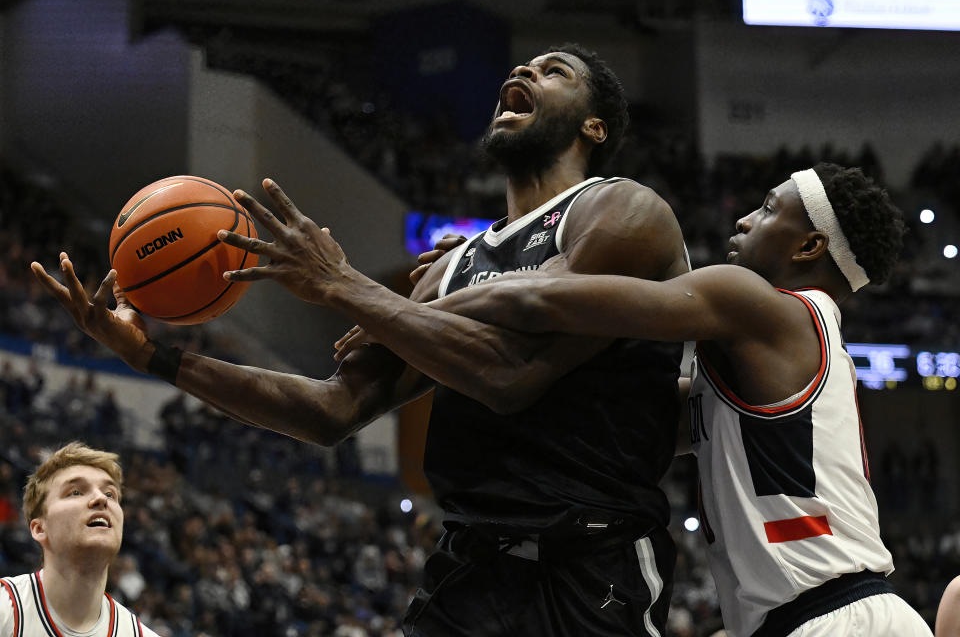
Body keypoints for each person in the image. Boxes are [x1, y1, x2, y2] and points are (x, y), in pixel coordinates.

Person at [32, 43, 690, 636]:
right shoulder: (451, 268)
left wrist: (345, 285)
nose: (523, 71)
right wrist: (151, 355)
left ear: (593, 126)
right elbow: (330, 410)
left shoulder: (623, 210)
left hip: (591, 567)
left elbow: (511, 376)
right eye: (524, 66)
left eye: (555, 71)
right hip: (469, 568)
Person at [332, 163, 929, 636]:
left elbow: (546, 301)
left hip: (838, 616)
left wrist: (391, 305)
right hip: (809, 616)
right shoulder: (770, 358)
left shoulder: (751, 299)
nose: (744, 219)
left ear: (810, 246)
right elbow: (615, 411)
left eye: (768, 209)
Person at [0, 442, 160, 637]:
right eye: (75, 492)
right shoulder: (6, 610)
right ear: (40, 528)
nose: (101, 499)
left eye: (110, 494)